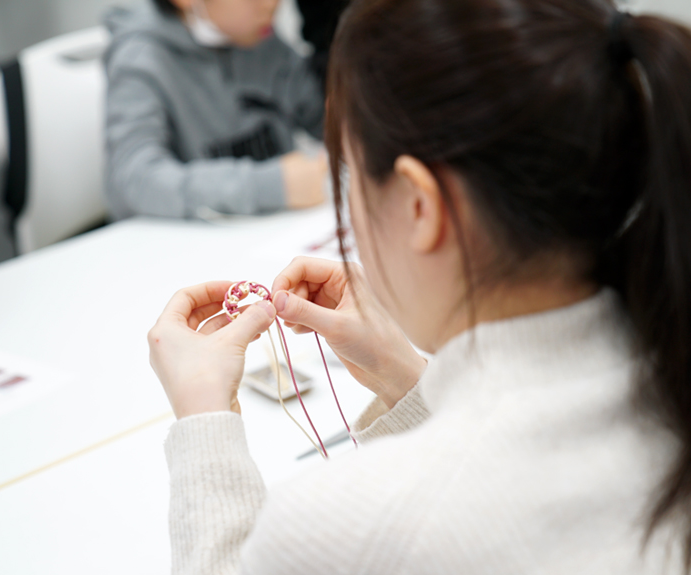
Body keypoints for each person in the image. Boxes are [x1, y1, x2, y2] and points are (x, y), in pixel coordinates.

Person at [147, 0, 691, 572]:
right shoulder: (666, 387)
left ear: (419, 205)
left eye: (350, 173)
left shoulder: (344, 524)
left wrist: (204, 419)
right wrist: (406, 380)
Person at [103, 0, 326, 221]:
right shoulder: (141, 58)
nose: (272, 4)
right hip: (194, 241)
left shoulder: (259, 37)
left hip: (276, 226)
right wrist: (269, 186)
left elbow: (322, 119)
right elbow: (135, 180)